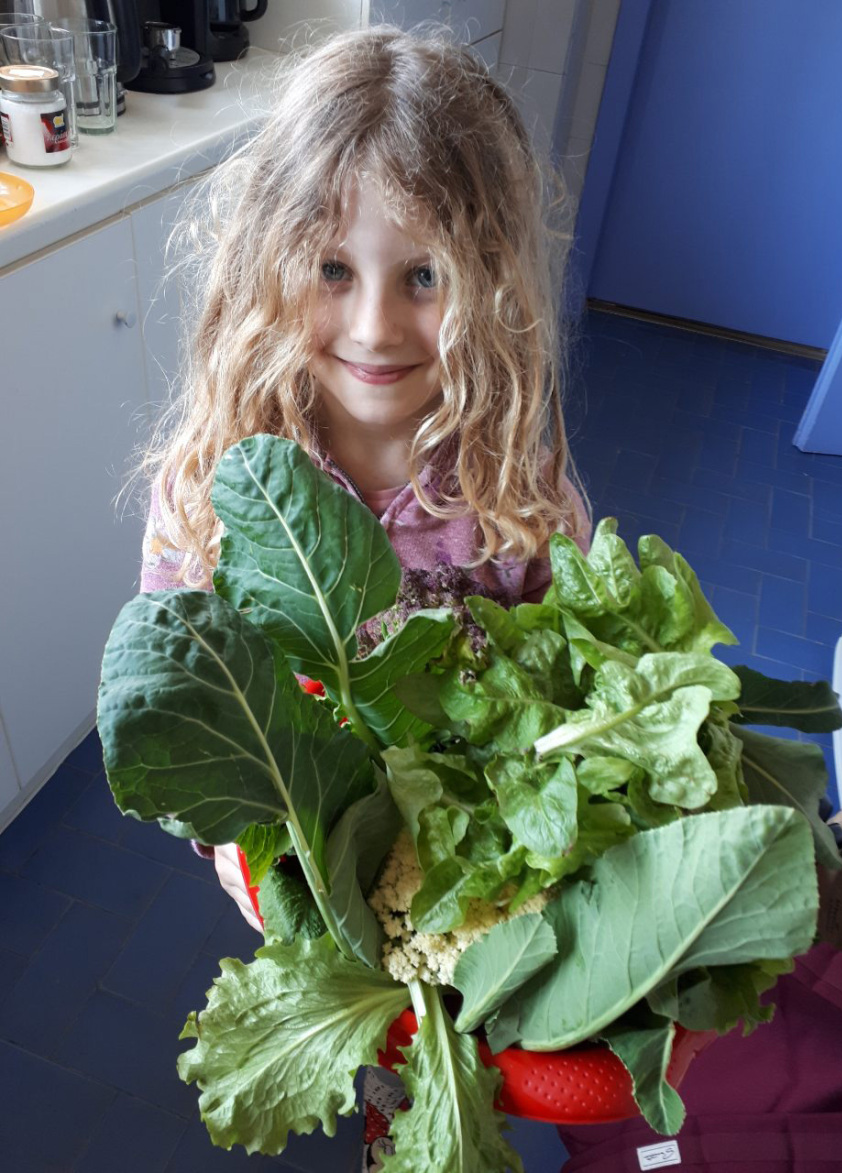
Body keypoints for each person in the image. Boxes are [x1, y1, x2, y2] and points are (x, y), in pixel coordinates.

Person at [137, 24, 591, 1168]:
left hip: (479, 887)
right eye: (334, 270)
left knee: (453, 1086)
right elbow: (179, 708)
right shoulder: (216, 486)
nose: (377, 324)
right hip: (326, 895)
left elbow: (571, 669)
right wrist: (261, 868)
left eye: (423, 276)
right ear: (270, 263)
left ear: (486, 284)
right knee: (377, 1076)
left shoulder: (516, 483)